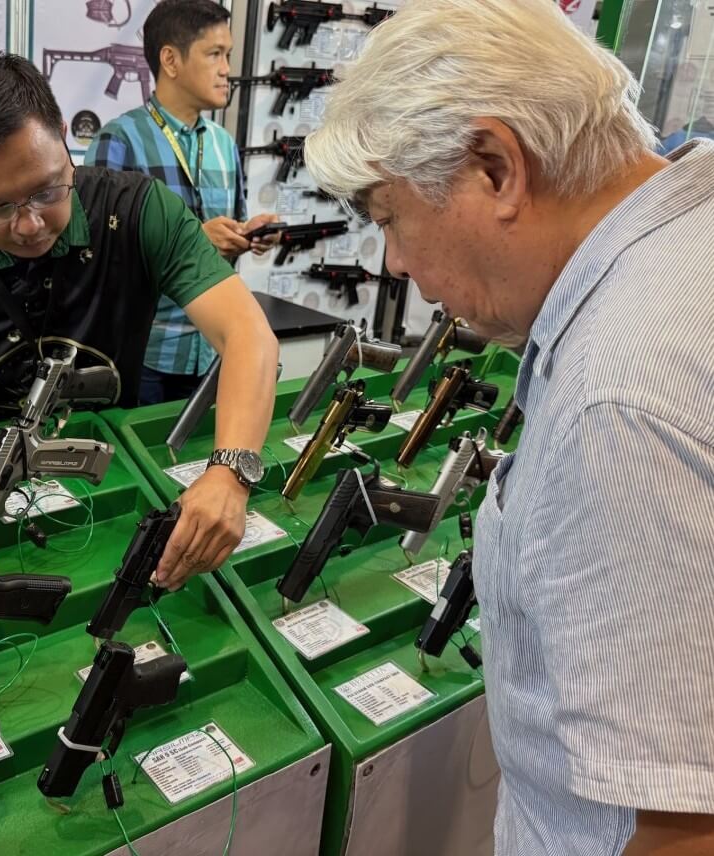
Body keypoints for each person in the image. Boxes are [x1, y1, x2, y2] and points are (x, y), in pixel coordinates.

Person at [305, 1, 714, 854]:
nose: (395, 263)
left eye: (387, 217)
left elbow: (686, 831)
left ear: (494, 167)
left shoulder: (617, 402)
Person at [0, 50, 278, 589]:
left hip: (110, 483)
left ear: (64, 137)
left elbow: (247, 333)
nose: (30, 225)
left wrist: (230, 471)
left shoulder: (137, 211)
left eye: (46, 190)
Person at [84, 0, 281, 405]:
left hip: (213, 348)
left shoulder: (224, 145)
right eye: (215, 54)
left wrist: (248, 234)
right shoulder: (118, 141)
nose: (227, 69)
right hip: (146, 353)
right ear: (171, 60)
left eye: (228, 54)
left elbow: (232, 224)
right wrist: (190, 242)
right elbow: (94, 255)